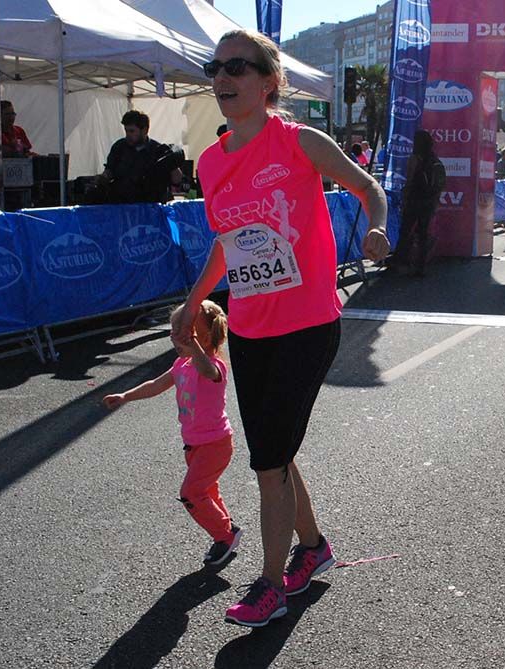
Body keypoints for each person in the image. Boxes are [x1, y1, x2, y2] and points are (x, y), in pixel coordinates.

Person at [176, 28, 390, 628]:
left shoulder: (300, 141)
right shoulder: (211, 162)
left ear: (268, 82)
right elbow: (227, 245)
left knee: (268, 459)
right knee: (276, 449)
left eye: (238, 67)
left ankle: (270, 585)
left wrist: (375, 228)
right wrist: (192, 303)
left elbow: (367, 186)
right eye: (215, 67)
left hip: (307, 324)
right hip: (248, 328)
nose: (223, 77)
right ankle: (314, 547)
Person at [103, 301, 242, 566]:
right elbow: (156, 385)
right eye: (174, 328)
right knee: (207, 492)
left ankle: (224, 535)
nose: (175, 334)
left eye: (184, 329)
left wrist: (194, 347)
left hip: (216, 443)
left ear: (205, 335)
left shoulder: (214, 366)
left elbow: (208, 371)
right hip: (194, 444)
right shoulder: (182, 365)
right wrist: (126, 396)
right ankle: (226, 529)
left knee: (191, 493)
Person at [100, 110, 183, 203]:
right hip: (124, 205)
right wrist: (102, 178)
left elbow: (177, 179)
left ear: (145, 130)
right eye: (126, 130)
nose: (128, 135)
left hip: (151, 206)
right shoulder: (119, 147)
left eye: (132, 131)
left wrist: (172, 161)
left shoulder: (158, 150)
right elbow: (109, 170)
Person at [395, 129, 445, 277]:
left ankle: (401, 262)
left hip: (414, 199)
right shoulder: (435, 159)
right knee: (422, 233)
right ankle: (420, 265)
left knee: (405, 230)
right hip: (429, 201)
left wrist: (404, 197)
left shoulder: (415, 158)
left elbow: (410, 180)